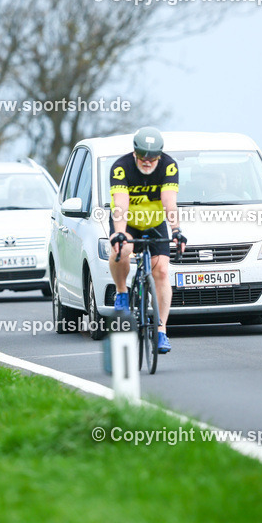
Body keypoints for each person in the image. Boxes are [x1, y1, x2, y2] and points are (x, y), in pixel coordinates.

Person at [108, 127, 187, 354]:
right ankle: (122, 292)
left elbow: (169, 202)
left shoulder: (168, 166)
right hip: (127, 221)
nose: (147, 161)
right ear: (134, 153)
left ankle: (161, 331)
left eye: (152, 157)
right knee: (121, 250)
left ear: (160, 156)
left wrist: (176, 230)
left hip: (154, 222)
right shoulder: (121, 168)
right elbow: (121, 205)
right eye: (142, 156)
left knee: (161, 271)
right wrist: (120, 234)